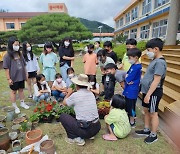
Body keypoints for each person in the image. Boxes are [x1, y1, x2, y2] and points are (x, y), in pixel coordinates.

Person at [135, 38, 167, 144]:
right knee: (146, 110)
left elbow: (156, 80)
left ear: (156, 49)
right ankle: (146, 129)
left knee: (153, 113)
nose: (147, 53)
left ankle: (154, 134)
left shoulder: (160, 63)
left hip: (153, 92)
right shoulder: (154, 60)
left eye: (149, 50)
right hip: (147, 91)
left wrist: (148, 95)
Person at [60, 74, 101, 146]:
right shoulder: (91, 93)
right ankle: (90, 135)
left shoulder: (75, 95)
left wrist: (69, 93)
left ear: (77, 85)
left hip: (85, 130)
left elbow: (64, 103)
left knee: (63, 117)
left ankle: (75, 138)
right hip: (96, 127)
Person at [3, 37, 30, 114]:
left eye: (18, 44)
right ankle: (14, 106)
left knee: (21, 90)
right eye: (16, 44)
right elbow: (6, 68)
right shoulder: (7, 56)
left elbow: (24, 65)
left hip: (21, 76)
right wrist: (9, 79)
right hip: (13, 77)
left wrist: (26, 73)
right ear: (11, 45)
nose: (17, 46)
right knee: (14, 91)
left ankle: (22, 103)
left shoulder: (19, 54)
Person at [123, 48, 142, 127]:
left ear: (136, 57)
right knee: (127, 103)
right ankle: (129, 117)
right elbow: (127, 75)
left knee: (131, 105)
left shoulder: (137, 67)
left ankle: (132, 120)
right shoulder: (133, 65)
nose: (129, 60)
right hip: (129, 88)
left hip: (132, 89)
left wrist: (127, 78)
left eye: (130, 58)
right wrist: (127, 78)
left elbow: (128, 78)